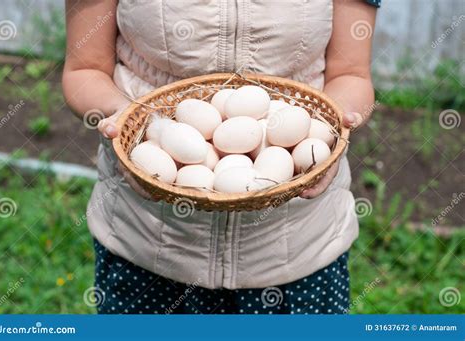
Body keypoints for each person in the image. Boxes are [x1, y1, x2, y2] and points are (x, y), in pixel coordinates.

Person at [63, 0, 380, 314]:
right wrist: (128, 121)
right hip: (148, 239)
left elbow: (351, 75)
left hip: (297, 247)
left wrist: (326, 130)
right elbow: (85, 69)